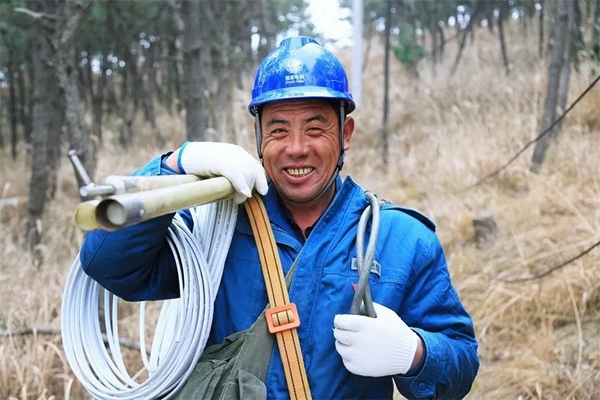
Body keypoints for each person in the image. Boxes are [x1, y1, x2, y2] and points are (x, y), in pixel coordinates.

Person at [80, 36, 479, 399]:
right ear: (258, 136)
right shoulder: (214, 228)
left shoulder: (401, 239)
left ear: (346, 134)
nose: (296, 148)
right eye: (279, 130)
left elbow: (461, 362)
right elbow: (109, 265)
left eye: (315, 128)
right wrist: (172, 165)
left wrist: (415, 354)